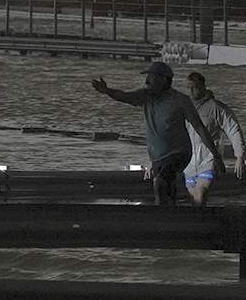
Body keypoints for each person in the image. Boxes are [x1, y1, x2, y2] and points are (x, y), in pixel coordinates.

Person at [91, 61, 220, 207]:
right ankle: (172, 216)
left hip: (179, 153)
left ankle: (162, 215)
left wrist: (216, 156)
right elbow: (124, 96)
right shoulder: (145, 96)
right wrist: (107, 90)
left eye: (151, 78)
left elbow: (199, 127)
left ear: (164, 80)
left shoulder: (181, 101)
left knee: (160, 181)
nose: (147, 81)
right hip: (158, 157)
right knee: (167, 189)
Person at [182, 71, 246, 206]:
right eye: (189, 88)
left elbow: (233, 129)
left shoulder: (216, 108)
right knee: (193, 199)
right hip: (189, 163)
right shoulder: (185, 108)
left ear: (203, 87)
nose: (192, 91)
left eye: (195, 87)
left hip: (208, 160)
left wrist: (239, 156)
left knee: (200, 194)